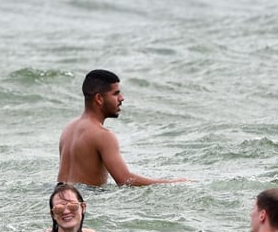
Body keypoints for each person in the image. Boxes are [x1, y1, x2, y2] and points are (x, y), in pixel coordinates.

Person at [57, 69, 188, 186]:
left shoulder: (69, 128)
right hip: (87, 199)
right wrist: (172, 183)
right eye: (115, 94)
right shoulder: (102, 135)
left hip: (61, 196)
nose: (122, 98)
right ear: (99, 99)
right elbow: (125, 180)